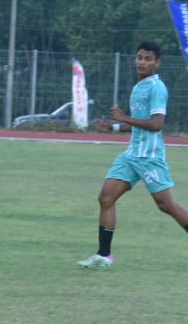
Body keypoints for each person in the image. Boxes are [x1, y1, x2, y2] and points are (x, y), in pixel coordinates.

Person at [78, 40, 188, 269]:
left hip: (149, 157)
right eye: (139, 57)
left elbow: (157, 124)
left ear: (157, 63)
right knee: (106, 198)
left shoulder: (157, 88)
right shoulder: (139, 86)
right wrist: (115, 127)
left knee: (166, 205)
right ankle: (103, 255)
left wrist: (123, 118)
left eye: (148, 59)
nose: (142, 62)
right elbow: (140, 123)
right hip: (131, 155)